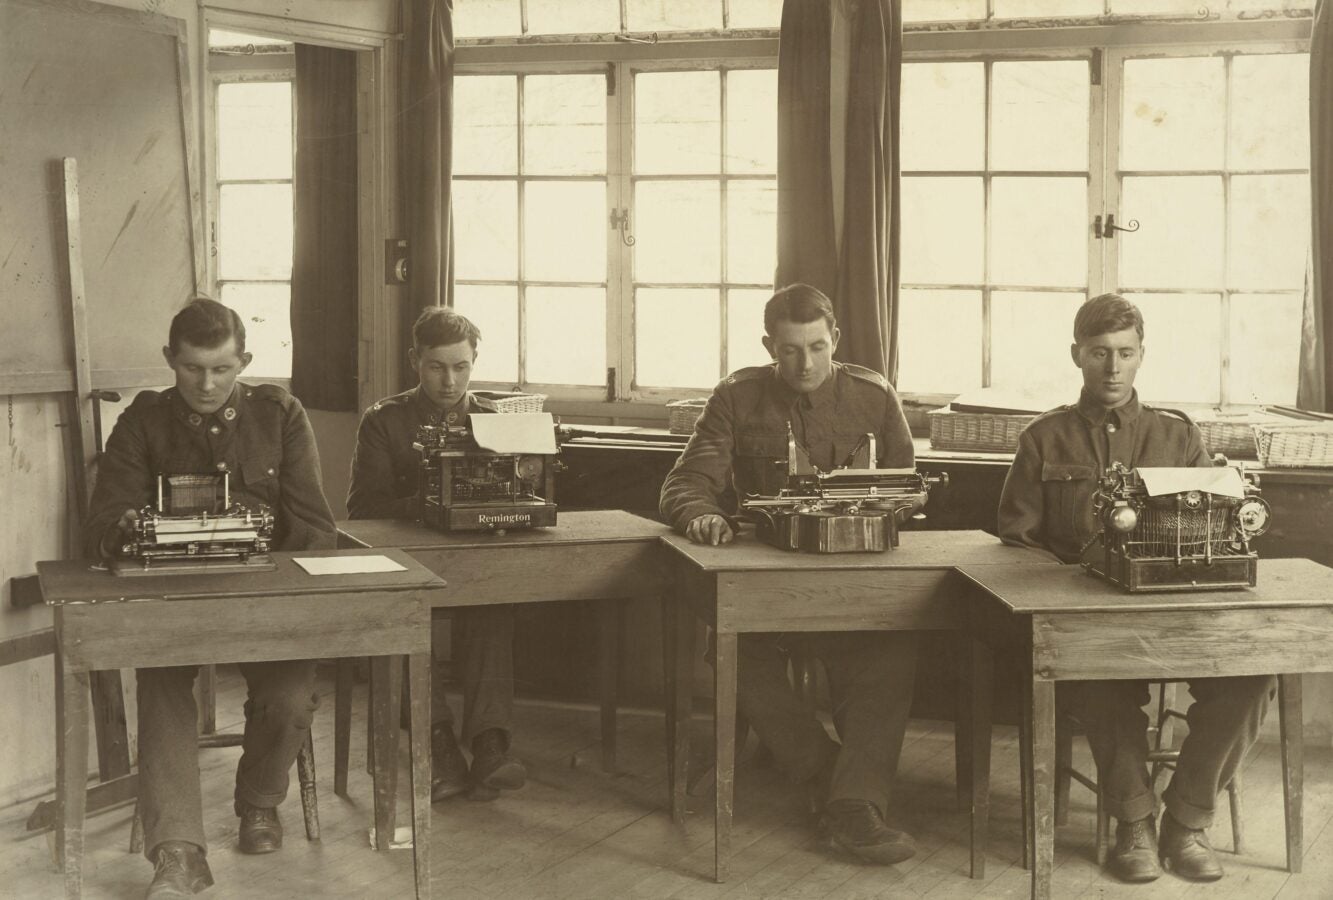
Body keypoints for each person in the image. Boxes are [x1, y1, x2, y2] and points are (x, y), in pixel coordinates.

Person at [997, 293, 1274, 884]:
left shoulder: (1177, 436)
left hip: (1179, 613)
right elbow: (1016, 540)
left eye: (1125, 353)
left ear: (1142, 355)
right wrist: (1072, 588)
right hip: (1088, 618)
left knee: (1255, 676)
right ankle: (1133, 823)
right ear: (1078, 356)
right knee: (1098, 684)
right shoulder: (1044, 438)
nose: (1113, 368)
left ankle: (1186, 820)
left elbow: (1220, 525)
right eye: (1100, 354)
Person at [659, 283, 919, 865]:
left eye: (819, 348)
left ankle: (851, 806)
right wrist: (701, 515)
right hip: (764, 585)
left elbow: (907, 488)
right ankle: (831, 778)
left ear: (836, 341)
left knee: (889, 656)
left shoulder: (874, 396)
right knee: (731, 653)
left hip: (851, 583)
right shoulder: (736, 396)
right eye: (792, 351)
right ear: (768, 347)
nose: (806, 364)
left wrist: (872, 517)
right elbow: (686, 482)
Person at [87, 297, 337, 899]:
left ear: (244, 361)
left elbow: (313, 526)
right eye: (192, 369)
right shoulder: (143, 421)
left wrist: (258, 556)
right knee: (162, 685)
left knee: (289, 696)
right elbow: (103, 520)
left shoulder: (280, 413)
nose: (207, 384)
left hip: (263, 595)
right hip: (171, 600)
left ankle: (258, 803)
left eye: (222, 370)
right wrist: (130, 528)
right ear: (170, 360)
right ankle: (178, 854)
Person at [346, 306, 525, 804]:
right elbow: (363, 509)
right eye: (436, 367)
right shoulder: (384, 421)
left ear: (474, 362)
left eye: (461, 367)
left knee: (494, 611)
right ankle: (437, 742)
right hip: (409, 562)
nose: (450, 381)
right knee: (403, 618)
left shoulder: (494, 420)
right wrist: (437, 505)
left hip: (476, 560)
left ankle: (490, 744)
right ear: (414, 362)